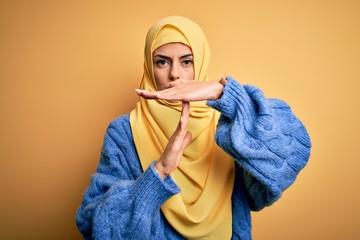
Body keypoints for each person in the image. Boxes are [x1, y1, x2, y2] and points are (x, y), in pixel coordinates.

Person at [76, 16, 311, 240]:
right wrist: (158, 172)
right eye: (162, 62)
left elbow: (288, 159)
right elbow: (95, 226)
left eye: (187, 62)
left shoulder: (229, 125)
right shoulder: (124, 132)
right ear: (149, 66)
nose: (175, 73)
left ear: (200, 63)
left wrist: (223, 94)